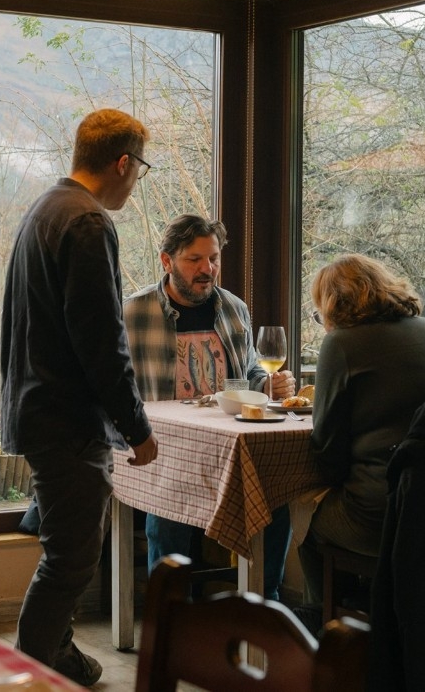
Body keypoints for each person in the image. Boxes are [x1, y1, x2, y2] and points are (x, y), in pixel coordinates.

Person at [0, 107, 159, 687]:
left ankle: (60, 654)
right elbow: (101, 341)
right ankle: (35, 670)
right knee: (71, 557)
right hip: (64, 415)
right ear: (123, 162)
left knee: (70, 546)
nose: (137, 181)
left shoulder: (45, 208)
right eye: (139, 168)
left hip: (33, 405)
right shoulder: (88, 223)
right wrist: (135, 427)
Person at [124, 214, 296, 600]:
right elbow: (114, 386)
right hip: (164, 454)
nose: (207, 269)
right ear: (166, 261)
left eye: (213, 258)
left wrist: (268, 383)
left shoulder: (235, 309)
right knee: (168, 512)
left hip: (225, 449)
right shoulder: (133, 314)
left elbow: (249, 374)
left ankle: (264, 607)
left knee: (274, 499)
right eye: (194, 260)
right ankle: (170, 621)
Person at [298, 253, 425, 603]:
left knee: (304, 526)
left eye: (319, 311)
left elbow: (328, 458)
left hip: (389, 516)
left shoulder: (341, 344)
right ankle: (387, 623)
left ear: (334, 306)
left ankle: (341, 641)